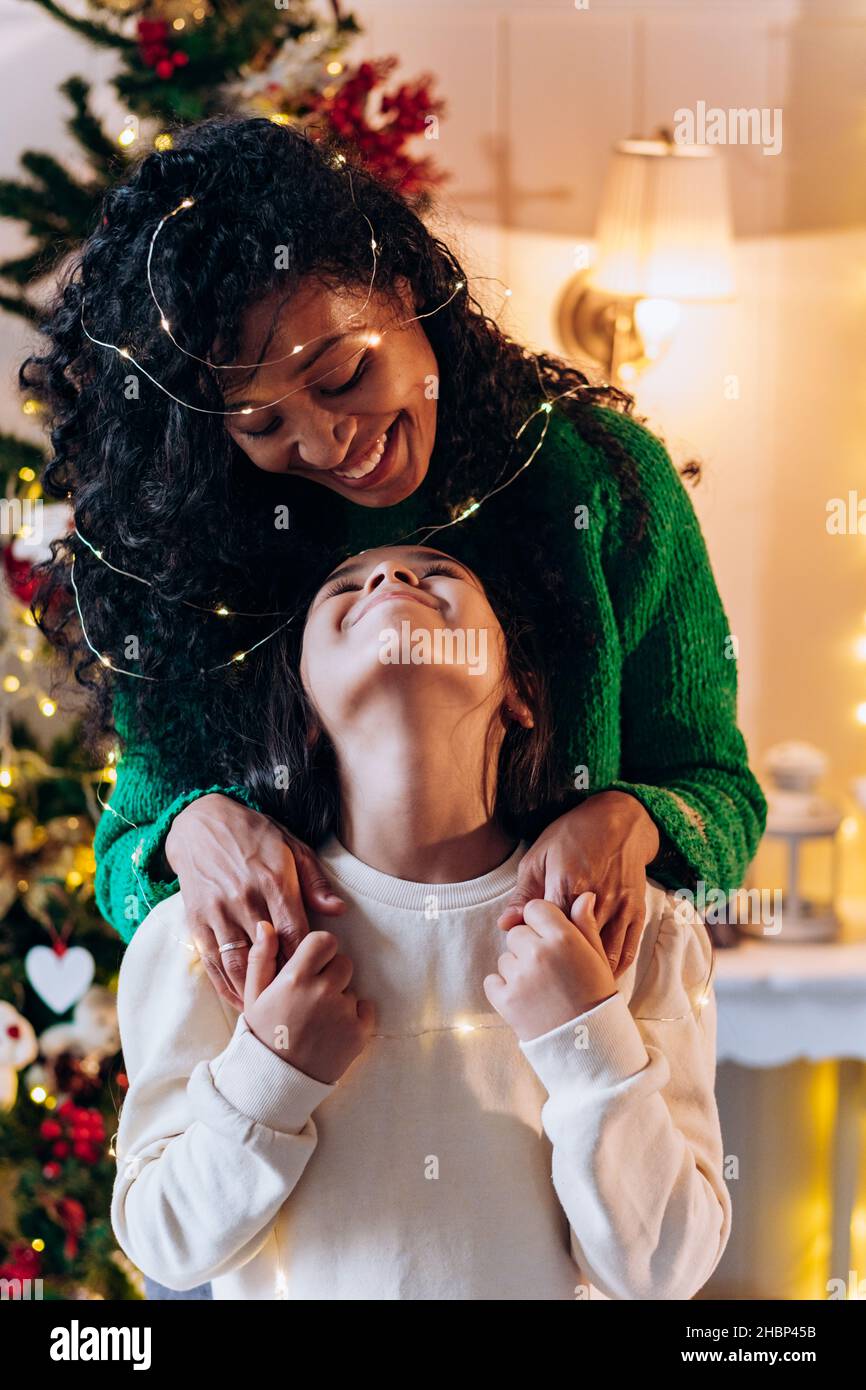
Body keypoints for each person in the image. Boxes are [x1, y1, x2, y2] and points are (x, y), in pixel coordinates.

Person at [24, 117, 766, 1012]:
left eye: (342, 377)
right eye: (261, 425)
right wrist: (188, 832)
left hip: (556, 1056)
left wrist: (632, 821)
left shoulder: (599, 483)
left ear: (405, 288)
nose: (326, 439)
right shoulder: (202, 550)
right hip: (312, 1088)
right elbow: (126, 857)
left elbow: (719, 793)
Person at [111, 545, 731, 1300]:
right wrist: (270, 1076)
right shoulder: (215, 933)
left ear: (520, 691)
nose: (388, 579)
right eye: (345, 584)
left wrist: (587, 1040)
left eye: (437, 573)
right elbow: (163, 1244)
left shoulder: (636, 927)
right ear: (303, 711)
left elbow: (668, 1269)